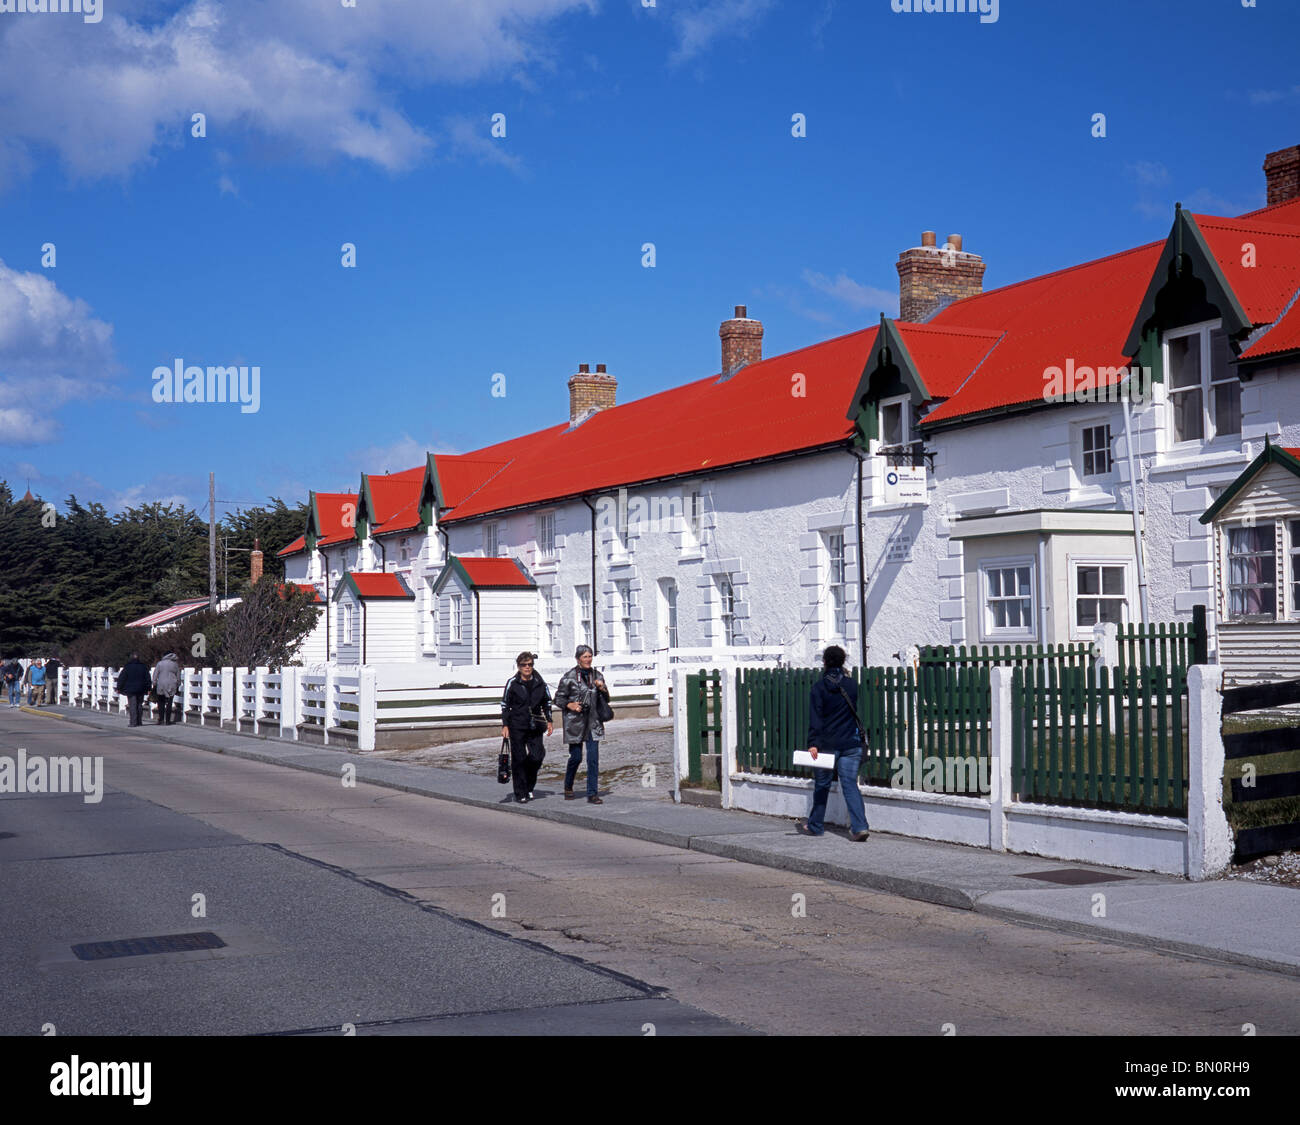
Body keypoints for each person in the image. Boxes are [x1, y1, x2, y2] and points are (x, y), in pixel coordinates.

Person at [797, 645, 870, 841]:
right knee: (850, 785)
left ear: (825, 662)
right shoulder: (852, 685)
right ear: (843, 661)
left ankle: (815, 826)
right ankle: (859, 827)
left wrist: (813, 743)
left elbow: (816, 718)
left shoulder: (819, 688)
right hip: (851, 744)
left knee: (822, 785)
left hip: (827, 746)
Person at [554, 644, 609, 803]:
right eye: (585, 656)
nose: (588, 659)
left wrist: (603, 688)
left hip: (594, 721)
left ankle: (592, 793)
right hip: (575, 722)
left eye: (590, 656)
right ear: (578, 659)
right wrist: (570, 705)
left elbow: (606, 700)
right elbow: (558, 698)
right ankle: (568, 785)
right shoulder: (569, 677)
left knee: (593, 758)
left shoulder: (597, 675)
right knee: (576, 757)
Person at [500, 651, 553, 803]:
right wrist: (505, 725)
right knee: (519, 759)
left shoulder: (539, 682)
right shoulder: (513, 683)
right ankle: (520, 792)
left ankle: (529, 786)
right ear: (519, 667)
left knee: (537, 756)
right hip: (517, 725)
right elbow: (505, 705)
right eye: (524, 665)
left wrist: (549, 720)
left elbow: (547, 702)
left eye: (530, 664)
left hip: (535, 725)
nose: (527, 668)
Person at [116, 653, 152, 728]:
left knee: (132, 705)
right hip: (141, 689)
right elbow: (148, 678)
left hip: (130, 689)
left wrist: (119, 688)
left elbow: (122, 678)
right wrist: (149, 688)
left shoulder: (127, 667)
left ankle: (133, 722)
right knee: (139, 704)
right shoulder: (143, 667)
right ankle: (139, 721)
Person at [152, 652, 181, 725]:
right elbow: (178, 676)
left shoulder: (160, 664)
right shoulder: (175, 664)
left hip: (161, 684)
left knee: (161, 702)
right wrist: (178, 685)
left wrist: (154, 683)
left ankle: (161, 719)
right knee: (169, 703)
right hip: (172, 685)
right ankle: (168, 720)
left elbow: (155, 675)